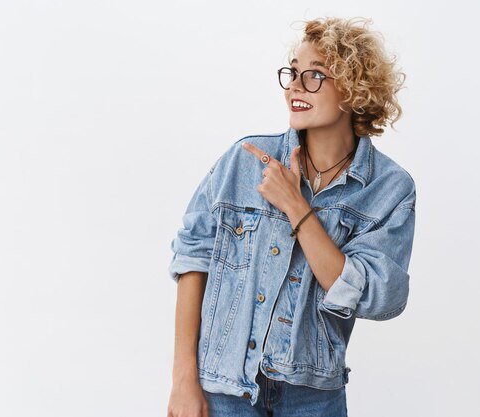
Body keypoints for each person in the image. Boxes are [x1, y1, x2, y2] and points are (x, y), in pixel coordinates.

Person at [166, 17, 416, 417]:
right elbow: (192, 258)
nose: (296, 87)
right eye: (293, 73)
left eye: (315, 75)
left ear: (354, 90)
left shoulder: (388, 189)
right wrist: (183, 379)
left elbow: (377, 299)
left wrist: (297, 208)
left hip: (313, 397)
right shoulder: (244, 160)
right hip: (224, 389)